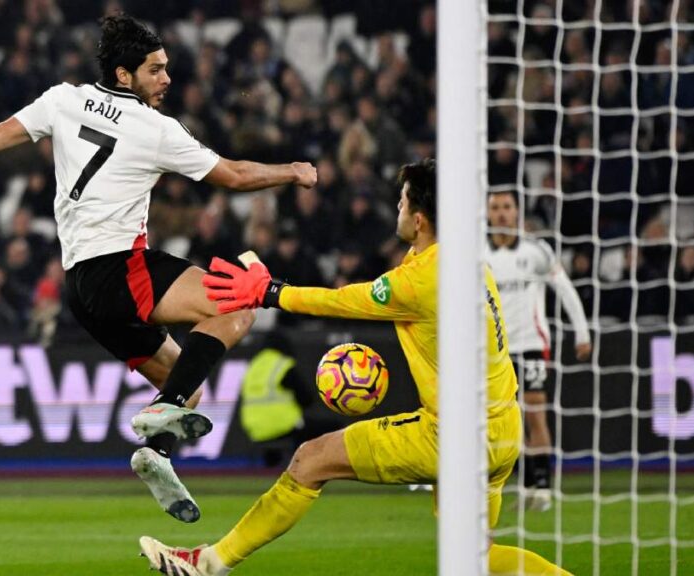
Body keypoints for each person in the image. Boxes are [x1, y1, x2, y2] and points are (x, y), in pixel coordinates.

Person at [0, 14, 317, 522]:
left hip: (80, 289)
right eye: (155, 70)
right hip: (122, 267)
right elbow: (231, 175)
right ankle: (159, 417)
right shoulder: (156, 128)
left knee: (190, 385)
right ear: (125, 76)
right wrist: (293, 171)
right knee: (241, 307)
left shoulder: (63, 99)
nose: (167, 79)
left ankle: (156, 454)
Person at [140, 161, 571, 575]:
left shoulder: (420, 279)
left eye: (403, 203)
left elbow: (341, 301)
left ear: (419, 219)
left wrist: (269, 292)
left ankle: (209, 565)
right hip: (501, 429)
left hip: (454, 437)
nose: (397, 210)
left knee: (310, 460)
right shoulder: (467, 260)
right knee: (478, 556)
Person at [486, 191, 591, 511]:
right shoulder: (476, 254)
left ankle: (542, 486)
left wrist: (582, 332)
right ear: (488, 214)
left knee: (535, 413)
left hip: (531, 344)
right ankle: (524, 484)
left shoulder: (536, 251)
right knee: (502, 422)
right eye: (496, 208)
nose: (502, 214)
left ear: (517, 212)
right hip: (494, 352)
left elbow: (565, 289)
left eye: (507, 207)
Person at [239, 330, 341, 467]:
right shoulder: (281, 365)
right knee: (334, 426)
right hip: (284, 425)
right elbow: (306, 399)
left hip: (255, 429)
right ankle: (327, 466)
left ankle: (269, 470)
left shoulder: (253, 366)